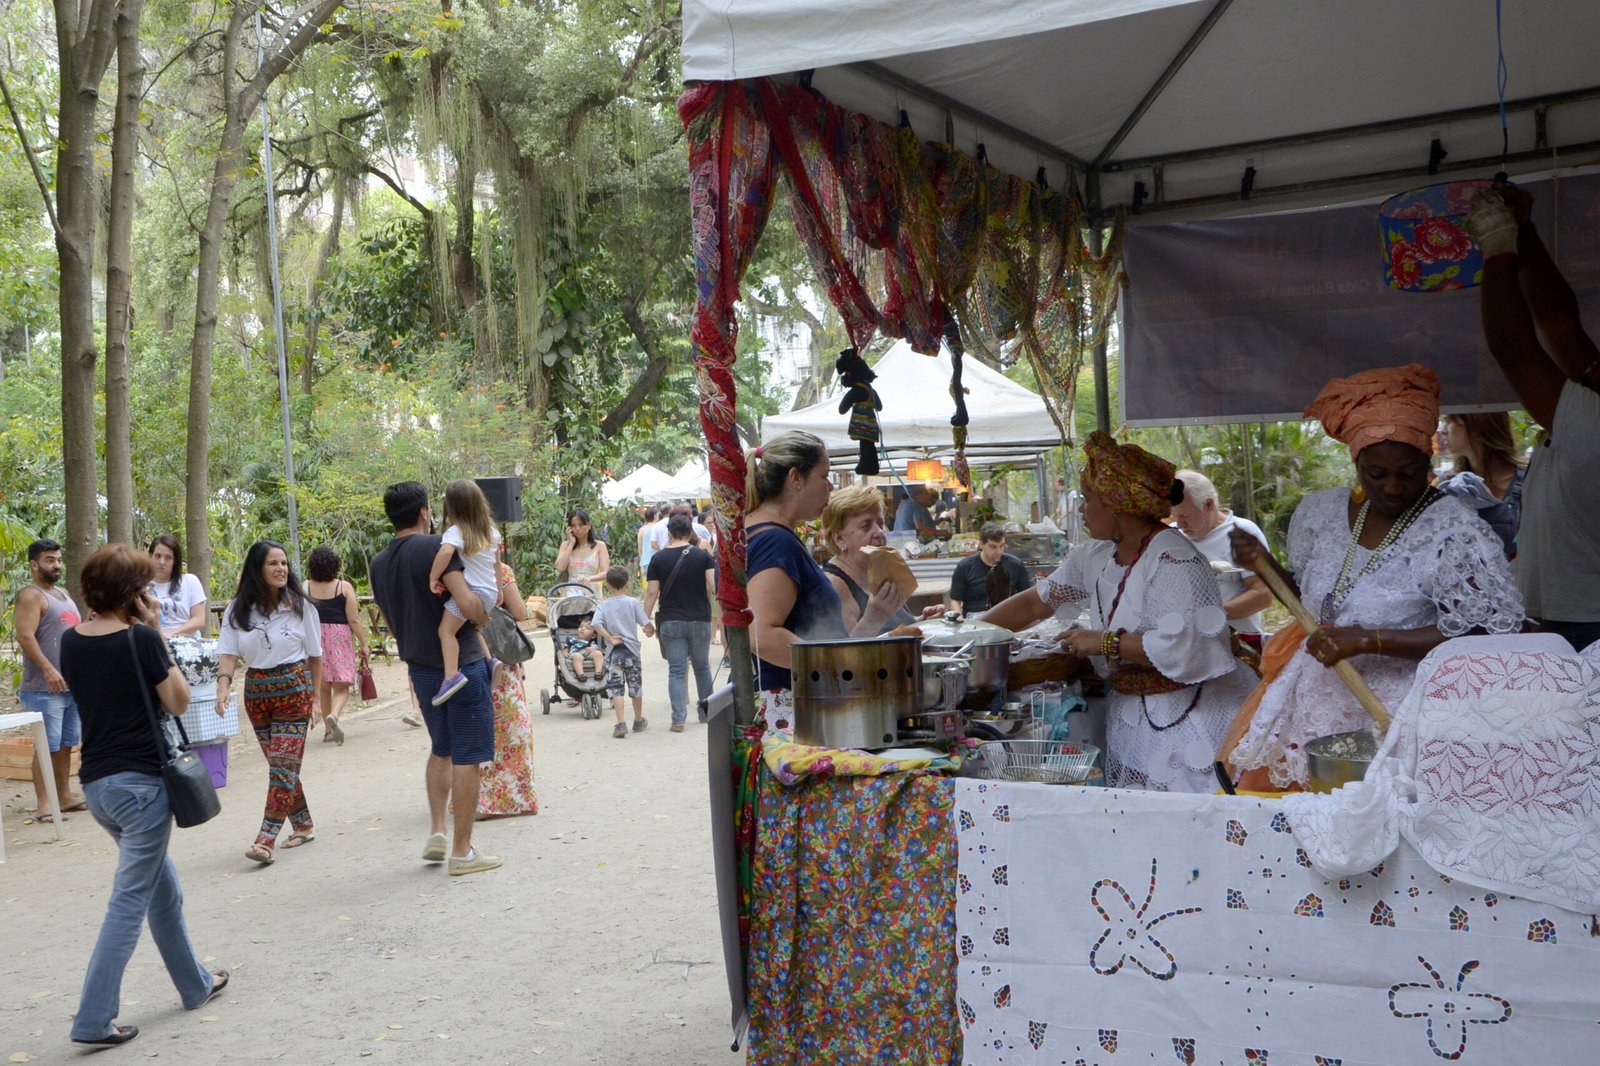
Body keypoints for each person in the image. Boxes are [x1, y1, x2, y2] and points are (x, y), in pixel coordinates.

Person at [1219, 364, 1525, 790]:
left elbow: (1483, 632)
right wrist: (1264, 566)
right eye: (1377, 474)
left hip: (1397, 717)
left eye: (1409, 473)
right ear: (1357, 462)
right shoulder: (1321, 513)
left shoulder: (1455, 530)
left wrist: (1370, 640)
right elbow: (1305, 602)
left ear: (1428, 459)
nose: (1394, 488)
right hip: (1308, 705)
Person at [984, 433, 1258, 792]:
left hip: (1193, 719)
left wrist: (1104, 642)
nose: (1082, 509)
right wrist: (969, 634)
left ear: (1118, 506)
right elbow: (1037, 602)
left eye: (1089, 500)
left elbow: (1187, 646)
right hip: (1138, 716)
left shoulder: (1174, 559)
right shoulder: (1095, 555)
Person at [61, 545, 226, 1048]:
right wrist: (155, 632)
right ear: (132, 595)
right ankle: (93, 1019)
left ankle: (194, 983)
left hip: (99, 787)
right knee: (129, 902)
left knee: (162, 889)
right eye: (144, 588)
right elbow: (176, 701)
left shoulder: (71, 641)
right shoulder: (142, 640)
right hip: (142, 787)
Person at [1467, 182, 1600, 650]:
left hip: (1580, 627)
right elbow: (1560, 324)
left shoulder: (1594, 429)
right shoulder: (1593, 394)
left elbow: (1513, 345)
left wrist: (1497, 245)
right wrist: (1522, 232)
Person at [369, 481, 500, 875]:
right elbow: (468, 602)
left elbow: (391, 618)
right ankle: (462, 852)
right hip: (463, 666)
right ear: (425, 511)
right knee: (468, 754)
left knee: (440, 747)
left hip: (420, 669)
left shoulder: (378, 563)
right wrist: (482, 615)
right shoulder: (437, 547)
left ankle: (438, 830)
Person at [746, 431, 909, 708]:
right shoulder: (775, 540)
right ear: (796, 478)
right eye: (824, 476)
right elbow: (761, 635)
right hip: (787, 705)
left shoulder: (759, 530)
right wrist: (834, 668)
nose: (830, 487)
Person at [215, 541, 324, 866]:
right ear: (257, 569)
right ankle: (303, 824)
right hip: (258, 692)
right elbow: (228, 652)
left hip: (295, 688)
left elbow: (316, 657)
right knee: (281, 766)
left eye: (284, 563)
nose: (281, 569)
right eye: (273, 564)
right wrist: (223, 685)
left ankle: (265, 839)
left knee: (282, 767)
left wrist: (317, 699)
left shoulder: (302, 607)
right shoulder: (238, 609)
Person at [15, 539, 85, 823]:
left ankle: (65, 797)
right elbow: (25, 636)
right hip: (44, 688)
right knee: (47, 745)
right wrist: (48, 669)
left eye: (57, 559)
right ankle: (44, 803)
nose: (56, 565)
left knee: (67, 744)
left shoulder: (63, 594)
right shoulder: (31, 596)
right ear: (34, 565)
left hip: (71, 686)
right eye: (49, 560)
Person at [820, 484, 942, 633]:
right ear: (839, 538)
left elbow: (893, 627)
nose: (879, 532)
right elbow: (847, 651)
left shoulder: (880, 567)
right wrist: (873, 619)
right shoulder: (834, 585)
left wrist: (922, 620)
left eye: (880, 523)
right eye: (866, 526)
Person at [1169, 471, 1273, 644]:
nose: (1180, 524)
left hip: (1236, 645)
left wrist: (1211, 616)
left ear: (1209, 504)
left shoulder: (1241, 533)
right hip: (1186, 645)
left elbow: (1263, 594)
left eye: (1185, 516)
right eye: (1175, 516)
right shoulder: (1171, 536)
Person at [428, 479, 502, 705]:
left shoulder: (456, 531)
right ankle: (490, 660)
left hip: (471, 593)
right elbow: (497, 563)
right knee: (471, 627)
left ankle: (451, 675)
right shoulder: (491, 531)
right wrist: (498, 592)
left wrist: (433, 577)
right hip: (488, 591)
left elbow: (445, 552)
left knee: (445, 631)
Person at [641, 512, 716, 732]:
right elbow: (713, 586)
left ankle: (678, 719)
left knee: (676, 670)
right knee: (702, 667)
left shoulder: (658, 559)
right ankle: (707, 713)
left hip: (671, 620)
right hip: (700, 619)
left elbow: (652, 593)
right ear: (691, 532)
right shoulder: (703, 557)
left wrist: (645, 620)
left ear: (669, 533)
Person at [476, 561, 539, 818]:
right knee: (512, 729)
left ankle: (477, 797)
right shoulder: (498, 569)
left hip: (467, 656)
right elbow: (520, 612)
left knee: (477, 728)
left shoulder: (454, 566)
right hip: (501, 661)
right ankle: (513, 797)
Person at [1436, 413, 1525, 558]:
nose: (1444, 430)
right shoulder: (1447, 486)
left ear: (1476, 423)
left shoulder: (1528, 479)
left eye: (1449, 421)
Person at [304, 545, 369, 745]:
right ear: (335, 565)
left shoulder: (304, 586)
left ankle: (328, 732)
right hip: (339, 636)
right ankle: (334, 715)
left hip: (315, 635)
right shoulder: (344, 587)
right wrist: (364, 643)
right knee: (342, 686)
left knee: (323, 686)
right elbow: (354, 619)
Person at [592, 566, 655, 738]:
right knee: (635, 686)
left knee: (617, 688)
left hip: (613, 652)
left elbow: (595, 624)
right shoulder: (633, 603)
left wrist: (610, 637)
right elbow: (646, 624)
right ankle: (638, 719)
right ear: (627, 583)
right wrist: (650, 630)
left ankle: (620, 724)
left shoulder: (603, 605)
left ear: (608, 585)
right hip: (631, 651)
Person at [946, 522, 1036, 618]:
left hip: (1007, 616)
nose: (998, 552)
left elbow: (1027, 598)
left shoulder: (1015, 565)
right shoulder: (965, 567)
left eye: (1001, 546)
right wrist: (960, 621)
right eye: (993, 547)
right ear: (981, 545)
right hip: (976, 619)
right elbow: (955, 600)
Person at [146, 535, 208, 638]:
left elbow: (199, 620)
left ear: (175, 562)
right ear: (150, 557)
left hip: (187, 644)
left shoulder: (189, 581)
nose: (162, 562)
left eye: (168, 558)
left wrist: (171, 635)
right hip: (153, 642)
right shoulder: (141, 586)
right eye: (157, 556)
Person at [555, 507, 610, 595]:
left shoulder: (599, 546)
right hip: (571, 593)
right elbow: (560, 567)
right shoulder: (565, 545)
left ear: (589, 525)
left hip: (592, 592)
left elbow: (606, 572)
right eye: (573, 525)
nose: (577, 529)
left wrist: (591, 578)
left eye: (581, 525)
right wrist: (571, 543)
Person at [637, 506, 659, 579]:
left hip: (645, 561)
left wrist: (641, 559)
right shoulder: (658, 527)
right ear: (655, 516)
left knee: (648, 586)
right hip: (658, 559)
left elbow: (640, 548)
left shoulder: (641, 530)